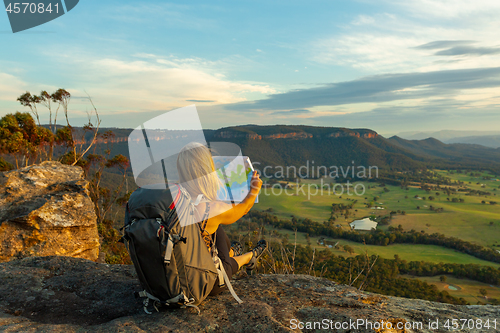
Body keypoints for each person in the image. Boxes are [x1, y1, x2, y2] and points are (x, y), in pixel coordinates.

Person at [176, 142, 267, 296]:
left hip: (170, 276)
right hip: (200, 284)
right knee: (225, 265)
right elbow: (243, 209)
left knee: (215, 227)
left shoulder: (173, 198)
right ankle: (249, 257)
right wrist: (254, 190)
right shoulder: (211, 208)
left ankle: (230, 252)